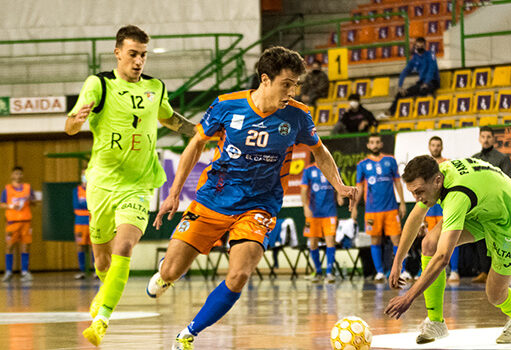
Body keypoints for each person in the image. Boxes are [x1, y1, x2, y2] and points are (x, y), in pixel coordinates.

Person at [145, 46, 358, 350]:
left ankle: (189, 333)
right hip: (213, 199)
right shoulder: (227, 106)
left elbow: (319, 150)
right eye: (287, 84)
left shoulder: (297, 115)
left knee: (239, 274)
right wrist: (174, 193)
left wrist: (338, 185)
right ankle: (166, 274)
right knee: (171, 271)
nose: (292, 91)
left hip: (259, 205)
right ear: (265, 79)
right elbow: (194, 146)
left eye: (295, 84)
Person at [65, 25, 196, 346]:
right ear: (118, 53)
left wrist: (202, 131)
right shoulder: (99, 84)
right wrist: (75, 121)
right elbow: (69, 126)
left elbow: (170, 118)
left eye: (143, 55)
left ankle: (102, 318)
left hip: (138, 184)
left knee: (123, 246)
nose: (138, 61)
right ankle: (102, 292)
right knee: (102, 261)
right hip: (101, 184)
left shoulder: (156, 87)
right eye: (133, 54)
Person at [385, 156, 511, 344]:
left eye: (419, 192)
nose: (417, 198)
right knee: (429, 243)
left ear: (437, 181)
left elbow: (443, 258)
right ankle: (436, 321)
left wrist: (409, 297)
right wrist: (397, 262)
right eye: (413, 193)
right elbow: (415, 217)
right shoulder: (438, 174)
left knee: (495, 294)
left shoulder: (457, 195)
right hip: (482, 211)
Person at [351, 134, 407, 282]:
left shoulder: (390, 160)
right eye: (372, 143)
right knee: (375, 241)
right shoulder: (362, 164)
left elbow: (398, 183)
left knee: (397, 239)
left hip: (390, 208)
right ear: (368, 146)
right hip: (372, 210)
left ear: (381, 144)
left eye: (377, 142)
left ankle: (402, 270)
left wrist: (402, 202)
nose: (374, 145)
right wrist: (355, 206)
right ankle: (380, 272)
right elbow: (359, 188)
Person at [470, 126, 511, 283]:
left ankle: (499, 273)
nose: (486, 139)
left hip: (497, 204)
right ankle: (484, 272)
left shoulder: (502, 158)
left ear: (494, 139)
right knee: (481, 239)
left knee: (496, 239)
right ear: (479, 139)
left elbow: (509, 182)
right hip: (479, 204)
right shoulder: (473, 158)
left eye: (489, 136)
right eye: (483, 136)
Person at [301, 157, 345, 283]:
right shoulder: (308, 170)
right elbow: (304, 190)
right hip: (313, 213)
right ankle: (318, 271)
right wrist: (305, 206)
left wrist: (340, 196)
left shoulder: (334, 168)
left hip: (329, 211)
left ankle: (330, 273)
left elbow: (339, 185)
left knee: (330, 239)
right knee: (313, 242)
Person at [424, 136, 460, 282]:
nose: (435, 148)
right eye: (433, 145)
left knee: (452, 240)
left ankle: (455, 271)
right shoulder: (425, 166)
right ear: (429, 147)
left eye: (438, 145)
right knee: (430, 242)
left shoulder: (448, 164)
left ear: (442, 147)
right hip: (430, 211)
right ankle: (430, 273)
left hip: (445, 209)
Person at [381, 37, 440, 118]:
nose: (420, 48)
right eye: (418, 46)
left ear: (425, 46)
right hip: (421, 83)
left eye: (421, 46)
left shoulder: (430, 54)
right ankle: (390, 112)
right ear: (415, 46)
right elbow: (405, 71)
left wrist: (426, 82)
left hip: (433, 81)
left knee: (424, 89)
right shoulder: (414, 59)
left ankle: (430, 108)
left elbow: (431, 69)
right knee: (400, 94)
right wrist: (400, 86)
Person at [1, 166, 39, 282]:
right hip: (12, 222)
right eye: (16, 174)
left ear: (22, 175)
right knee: (9, 246)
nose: (18, 176)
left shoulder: (28, 188)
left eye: (20, 174)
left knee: (26, 246)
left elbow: (34, 202)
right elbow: (2, 204)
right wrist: (12, 206)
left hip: (26, 222)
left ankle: (25, 271)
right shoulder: (7, 189)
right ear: (12, 175)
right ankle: (8, 271)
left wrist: (30, 200)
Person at [72, 168, 92, 280]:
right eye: (83, 174)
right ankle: (82, 270)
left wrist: (85, 203)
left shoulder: (94, 189)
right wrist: (87, 203)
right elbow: (77, 205)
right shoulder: (77, 190)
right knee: (80, 246)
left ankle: (96, 271)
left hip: (92, 221)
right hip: (80, 222)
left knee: (94, 246)